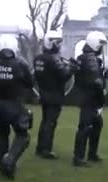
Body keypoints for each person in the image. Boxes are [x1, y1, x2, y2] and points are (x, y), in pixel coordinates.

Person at [0, 34, 34, 179]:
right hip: (16, 106)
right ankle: (10, 160)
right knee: (23, 136)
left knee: (1, 137)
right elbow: (30, 84)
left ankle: (4, 168)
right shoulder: (20, 64)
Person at [33, 30, 76, 159]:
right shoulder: (54, 59)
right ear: (50, 43)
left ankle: (40, 148)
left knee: (45, 121)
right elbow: (64, 76)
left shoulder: (38, 58)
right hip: (55, 95)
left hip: (43, 93)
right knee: (50, 123)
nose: (59, 46)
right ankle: (46, 149)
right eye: (57, 43)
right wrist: (72, 68)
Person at [72, 31, 108, 167]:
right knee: (86, 127)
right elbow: (96, 82)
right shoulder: (90, 59)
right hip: (90, 98)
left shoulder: (83, 57)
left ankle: (92, 154)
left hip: (86, 96)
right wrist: (102, 99)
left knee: (96, 125)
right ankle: (78, 157)